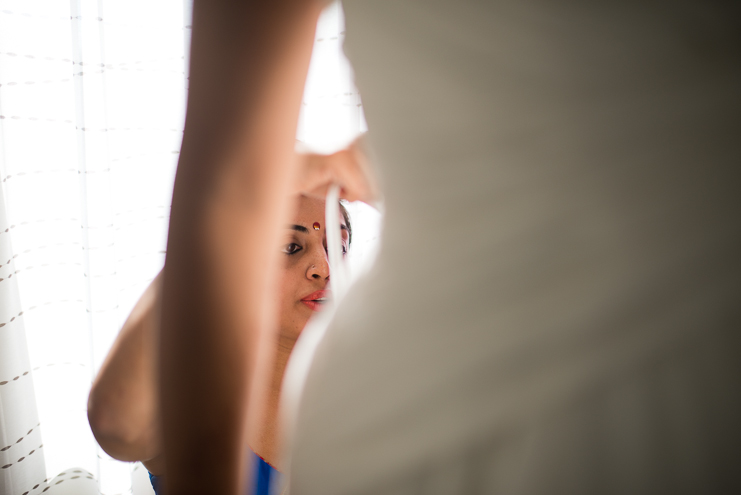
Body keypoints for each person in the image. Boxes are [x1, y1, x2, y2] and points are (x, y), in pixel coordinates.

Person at [163, 1, 741, 494]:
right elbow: (224, 196)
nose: (323, 267)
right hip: (436, 411)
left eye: (336, 239)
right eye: (290, 247)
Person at [87, 192, 352, 495]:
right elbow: (116, 426)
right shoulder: (197, 410)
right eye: (290, 247)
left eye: (339, 247)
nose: (325, 268)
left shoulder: (380, 390)